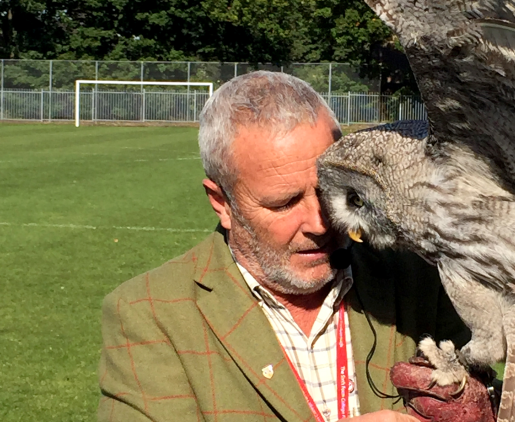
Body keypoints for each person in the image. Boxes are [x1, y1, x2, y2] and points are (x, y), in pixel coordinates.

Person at [97, 71, 488, 421]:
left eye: (331, 192)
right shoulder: (149, 312)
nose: (320, 223)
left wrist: (476, 407)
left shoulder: (422, 274)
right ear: (222, 204)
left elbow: (493, 394)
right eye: (283, 203)